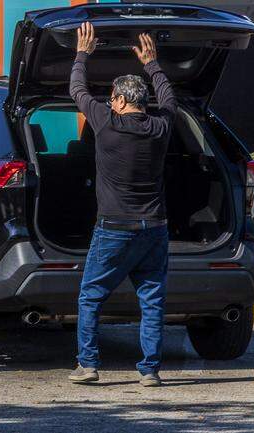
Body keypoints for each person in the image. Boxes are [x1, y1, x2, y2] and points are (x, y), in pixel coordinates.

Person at [68, 24, 177, 388]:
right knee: (152, 298)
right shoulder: (160, 127)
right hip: (154, 228)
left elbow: (77, 90)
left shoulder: (106, 123)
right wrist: (153, 64)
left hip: (113, 227)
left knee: (91, 296)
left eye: (111, 98)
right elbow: (169, 100)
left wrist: (83, 53)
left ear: (117, 100)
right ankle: (149, 370)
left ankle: (88, 365)